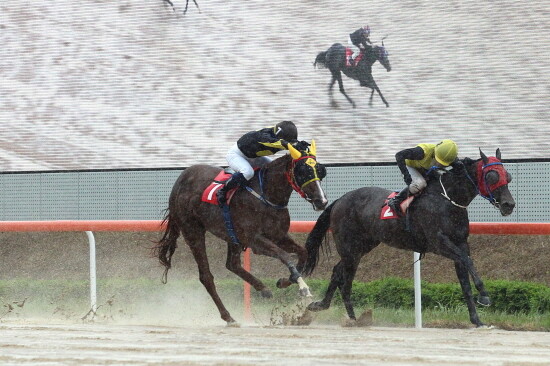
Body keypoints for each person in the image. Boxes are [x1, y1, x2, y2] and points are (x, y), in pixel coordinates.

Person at [217, 121, 308, 207]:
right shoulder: (264, 136)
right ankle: (223, 190)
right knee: (248, 172)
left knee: (272, 168)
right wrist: (292, 144)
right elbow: (278, 143)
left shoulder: (277, 135)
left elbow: (288, 143)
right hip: (236, 155)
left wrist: (300, 145)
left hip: (253, 157)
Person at [387, 139, 459, 215]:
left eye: (442, 164)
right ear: (435, 151)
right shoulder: (421, 152)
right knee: (420, 183)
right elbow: (399, 155)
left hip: (425, 168)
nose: (438, 164)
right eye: (437, 160)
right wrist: (406, 176)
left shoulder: (450, 158)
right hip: (411, 166)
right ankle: (396, 200)